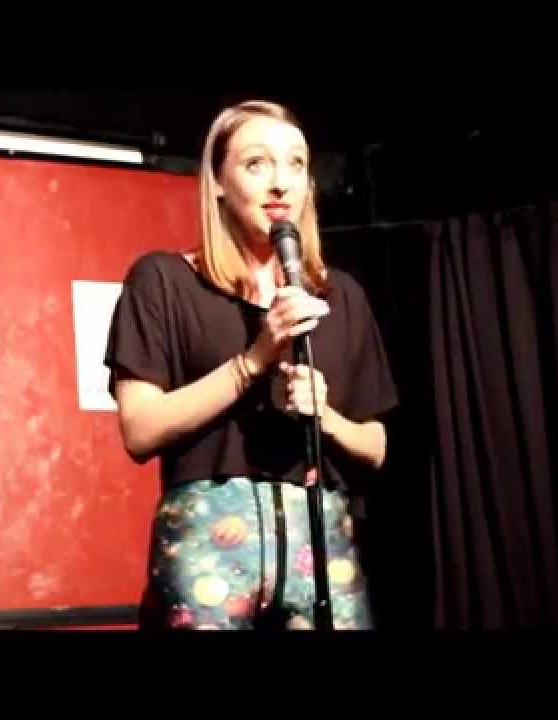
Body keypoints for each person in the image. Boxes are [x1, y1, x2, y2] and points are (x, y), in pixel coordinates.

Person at [104, 100, 398, 630]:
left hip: (320, 539)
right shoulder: (164, 281)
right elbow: (139, 429)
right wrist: (255, 359)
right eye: (256, 163)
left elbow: (375, 446)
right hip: (211, 540)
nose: (280, 183)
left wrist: (324, 416)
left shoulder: (341, 296)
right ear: (218, 181)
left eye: (296, 164)